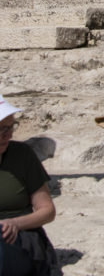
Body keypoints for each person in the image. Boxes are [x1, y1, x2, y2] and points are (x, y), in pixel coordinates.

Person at [0, 95, 58, 276]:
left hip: (19, 236)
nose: (8, 134)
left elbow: (47, 211)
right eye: (1, 129)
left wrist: (15, 223)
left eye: (11, 127)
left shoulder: (22, 155)